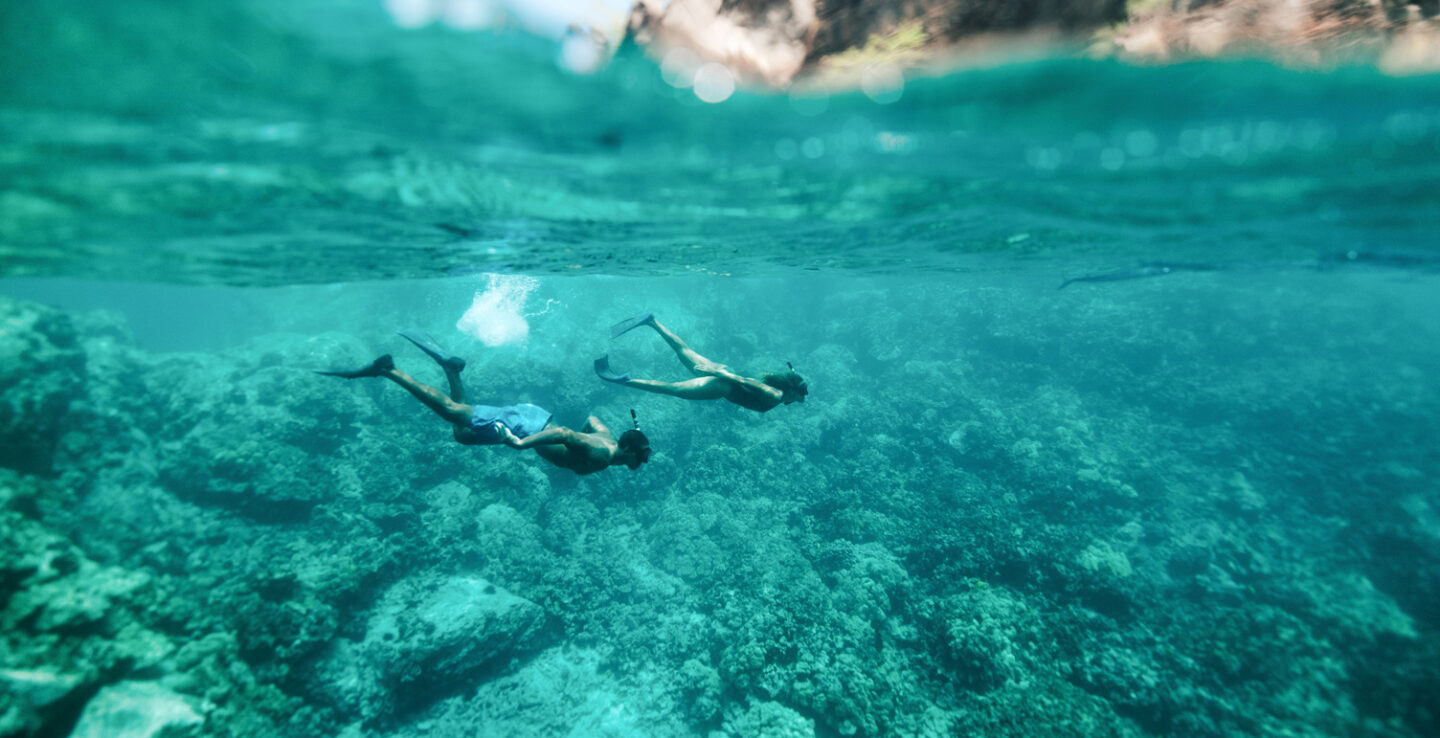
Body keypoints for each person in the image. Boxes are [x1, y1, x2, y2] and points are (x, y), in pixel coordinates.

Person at [318, 331, 651, 475]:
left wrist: (558, 444)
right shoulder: (603, 454)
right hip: (525, 425)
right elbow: (564, 433)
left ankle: (451, 370)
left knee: (461, 434)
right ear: (628, 450)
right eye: (641, 458)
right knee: (451, 411)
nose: (640, 465)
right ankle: (389, 369)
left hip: (534, 420)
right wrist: (521, 443)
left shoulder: (607, 439)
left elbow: (591, 419)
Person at [593, 313, 808, 413]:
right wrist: (719, 376)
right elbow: (743, 380)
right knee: (672, 389)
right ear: (791, 391)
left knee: (684, 350)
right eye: (797, 399)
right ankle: (620, 379)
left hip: (724, 372)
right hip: (723, 382)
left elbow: (788, 378)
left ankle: (652, 321)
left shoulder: (780, 390)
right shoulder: (776, 395)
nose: (794, 402)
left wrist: (719, 372)